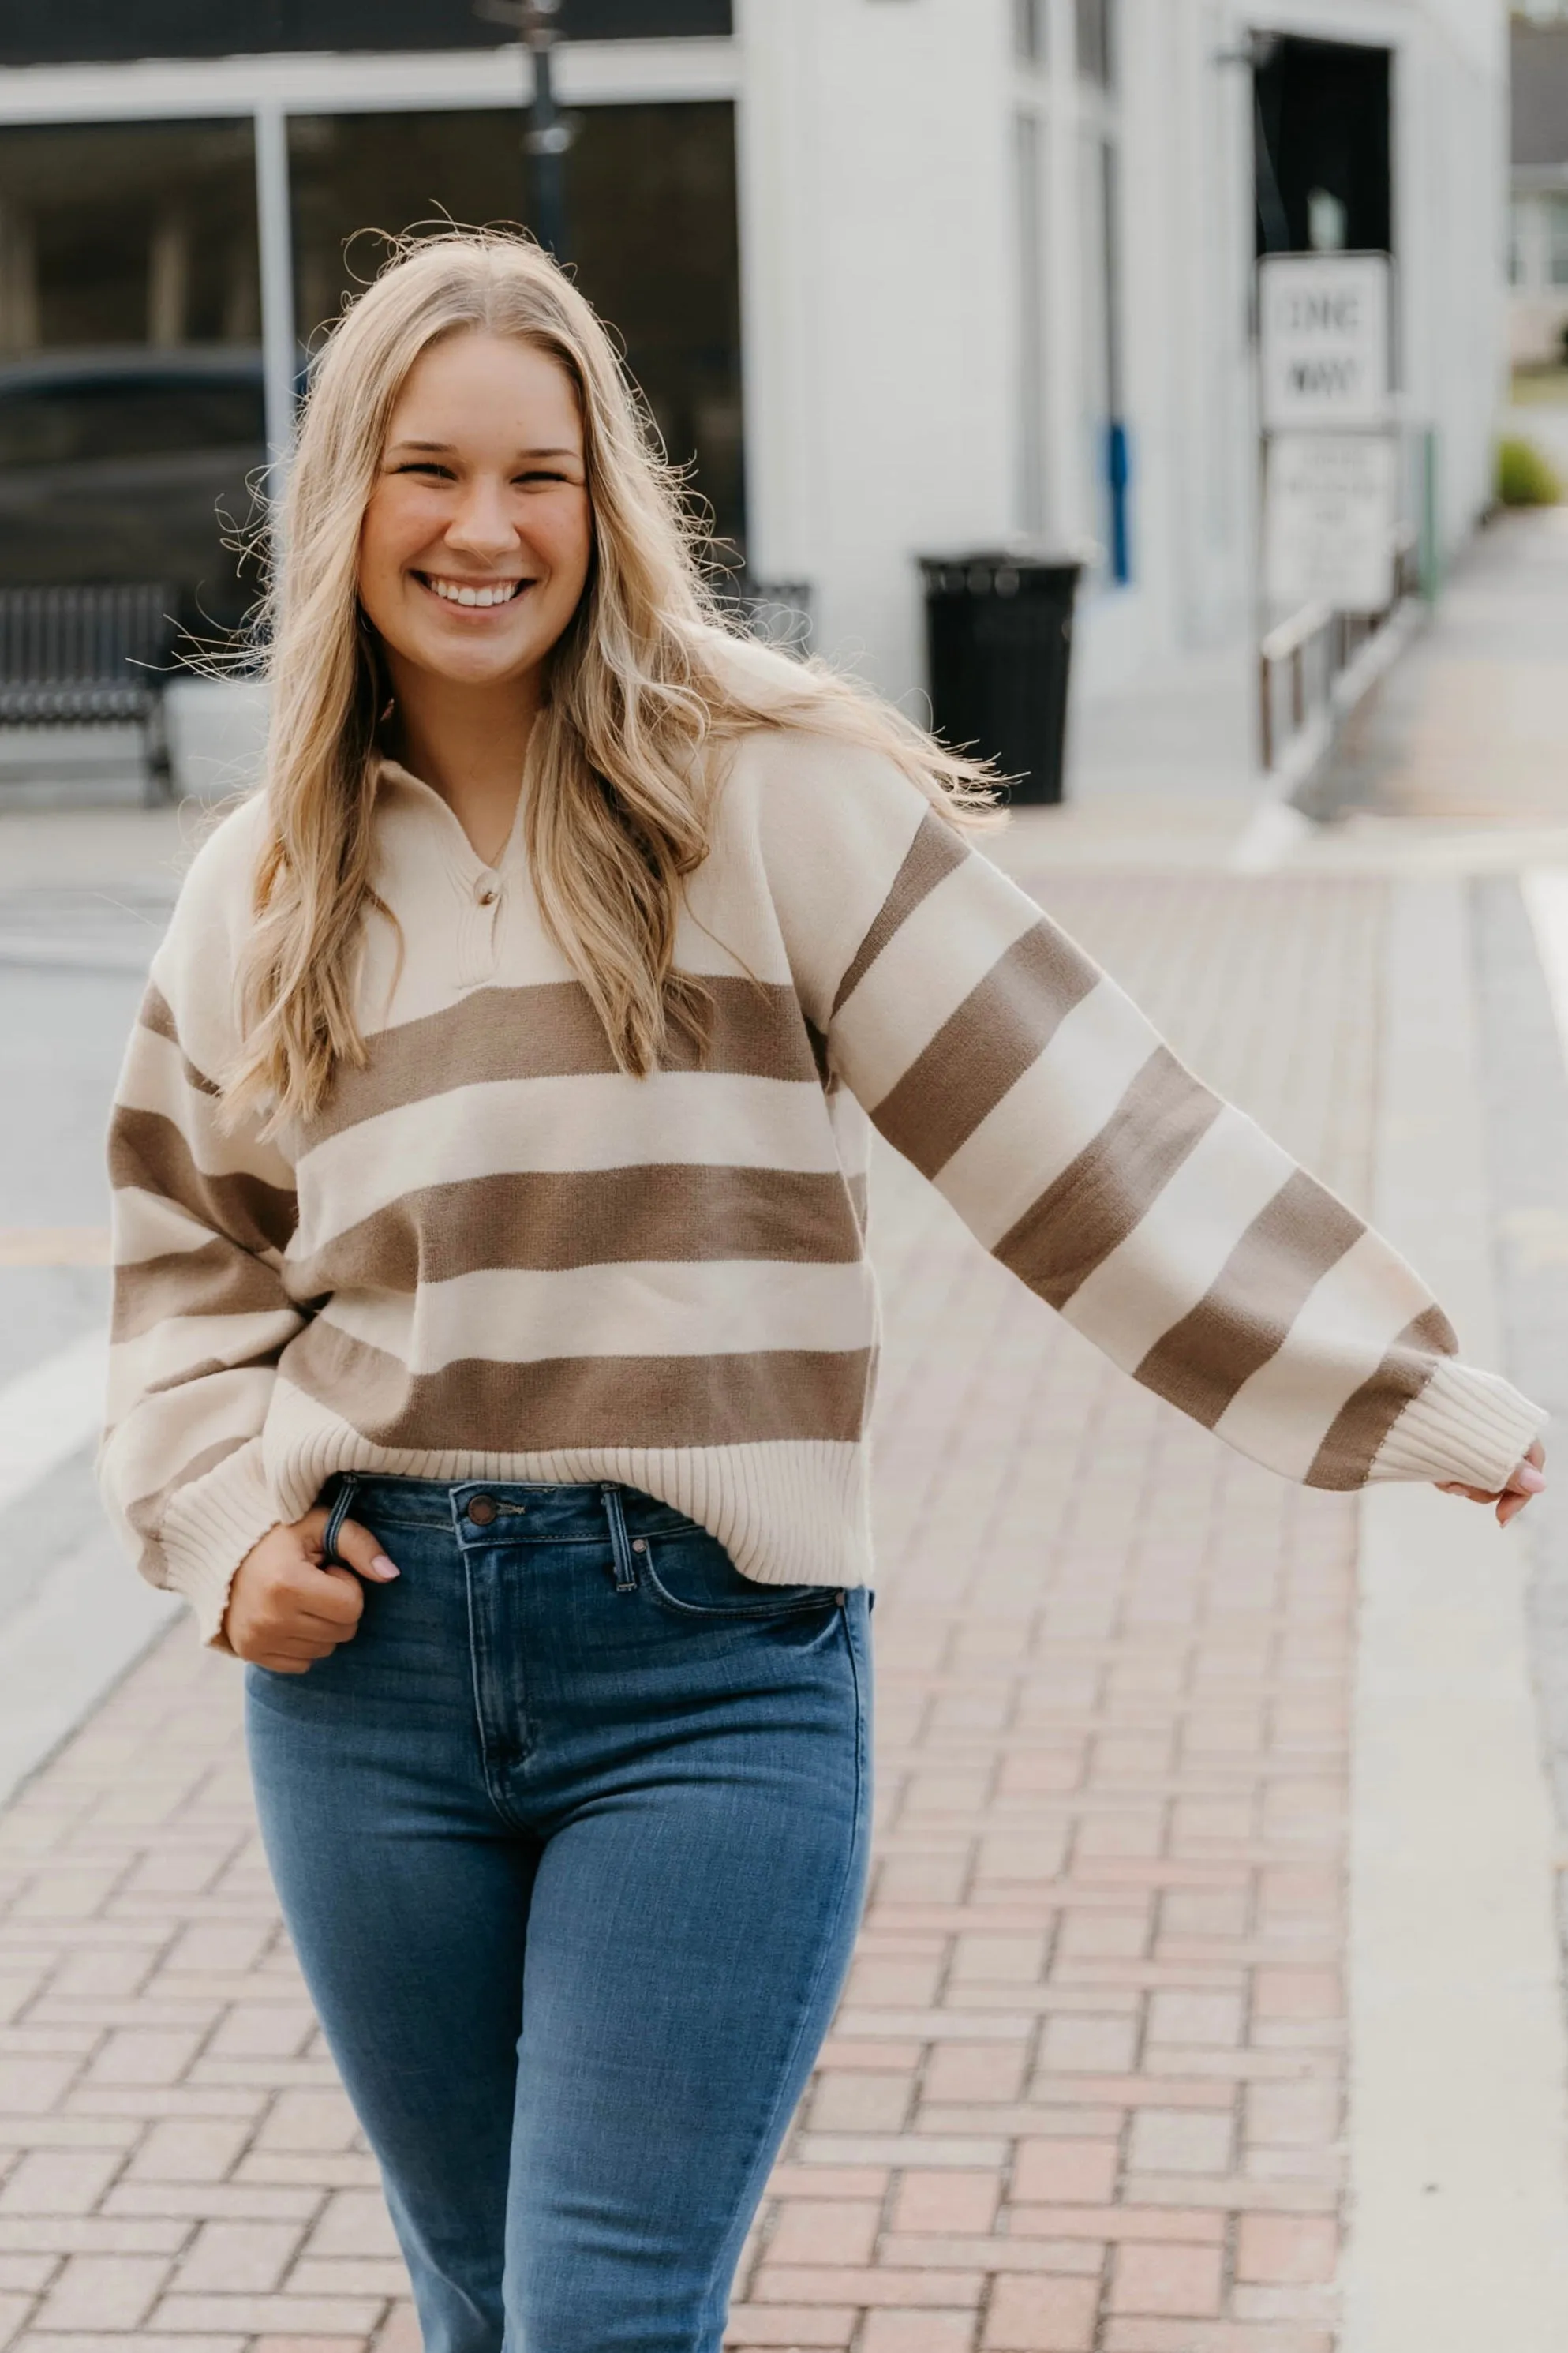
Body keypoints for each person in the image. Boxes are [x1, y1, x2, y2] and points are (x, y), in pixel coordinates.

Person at [100, 232, 1545, 2353]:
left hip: (708, 1674)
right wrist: (222, 1533)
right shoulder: (263, 886)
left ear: (610, 501)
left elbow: (1082, 1122)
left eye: (540, 475)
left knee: (600, 2311)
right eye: (427, 471)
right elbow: (181, 1274)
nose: (485, 528)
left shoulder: (765, 792)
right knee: (489, 2303)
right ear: (345, 504)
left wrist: (1405, 1390)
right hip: (366, 1690)